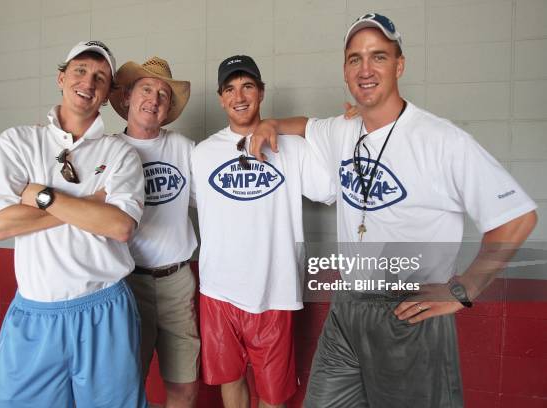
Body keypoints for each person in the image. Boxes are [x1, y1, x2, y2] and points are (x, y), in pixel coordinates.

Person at [250, 13, 538, 408]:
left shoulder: (441, 140)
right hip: (348, 309)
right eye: (355, 58)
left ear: (399, 65)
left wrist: (466, 287)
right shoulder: (342, 129)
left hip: (409, 312)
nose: (365, 69)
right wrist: (271, 123)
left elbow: (518, 217)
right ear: (345, 70)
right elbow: (306, 125)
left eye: (378, 56)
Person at [0, 41, 147, 408]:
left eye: (100, 77)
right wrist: (90, 205)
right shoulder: (18, 142)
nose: (89, 81)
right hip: (36, 313)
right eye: (80, 71)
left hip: (104, 310)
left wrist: (41, 195)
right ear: (61, 77)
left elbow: (120, 227)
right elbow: (1, 224)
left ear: (106, 95)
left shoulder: (119, 153)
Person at [191, 55, 335, 408]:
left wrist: (292, 127)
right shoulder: (202, 153)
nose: (239, 96)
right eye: (230, 89)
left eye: (247, 86)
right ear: (221, 98)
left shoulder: (294, 149)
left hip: (275, 290)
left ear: (261, 92)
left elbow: (331, 188)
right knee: (231, 380)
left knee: (273, 394)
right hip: (218, 291)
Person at [109, 57, 199, 408]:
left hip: (178, 281)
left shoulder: (185, 148)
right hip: (127, 283)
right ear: (128, 97)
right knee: (125, 385)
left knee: (184, 385)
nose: (155, 99)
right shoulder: (107, 150)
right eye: (147, 89)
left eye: (164, 94)